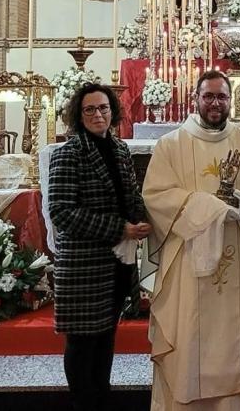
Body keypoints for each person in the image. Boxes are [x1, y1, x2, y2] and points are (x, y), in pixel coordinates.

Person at [142, 70, 240, 410]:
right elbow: (156, 196)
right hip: (187, 263)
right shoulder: (171, 145)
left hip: (235, 261)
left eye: (221, 97)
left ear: (232, 101)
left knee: (229, 343)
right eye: (208, 96)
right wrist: (208, 207)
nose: (215, 103)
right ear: (196, 99)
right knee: (187, 340)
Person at [48, 84, 150, 411]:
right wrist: (120, 228)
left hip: (115, 263)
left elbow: (130, 195)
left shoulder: (119, 149)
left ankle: (100, 399)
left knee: (106, 338)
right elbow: (61, 212)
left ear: (112, 111)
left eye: (103, 108)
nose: (98, 114)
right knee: (82, 343)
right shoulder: (68, 153)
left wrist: (144, 219)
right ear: (78, 115)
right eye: (90, 109)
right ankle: (83, 403)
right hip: (84, 265)